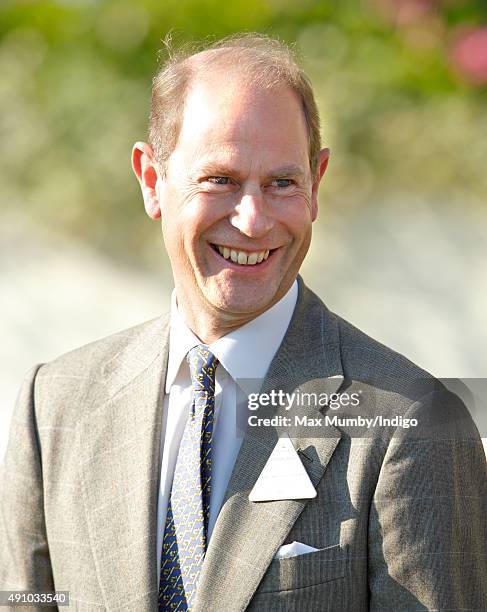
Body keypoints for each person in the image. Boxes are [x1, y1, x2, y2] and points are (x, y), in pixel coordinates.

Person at [1, 33, 486, 612]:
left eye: (281, 183)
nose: (253, 221)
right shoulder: (54, 405)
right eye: (220, 180)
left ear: (316, 185)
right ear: (152, 181)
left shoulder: (413, 423)